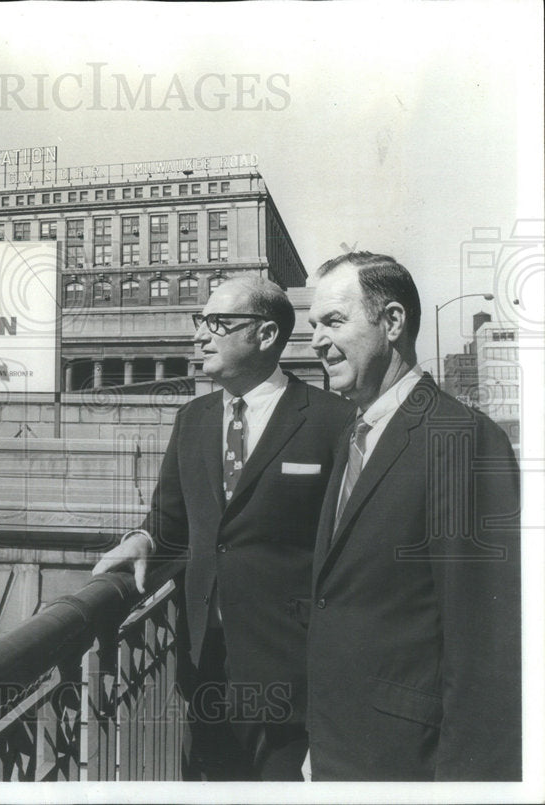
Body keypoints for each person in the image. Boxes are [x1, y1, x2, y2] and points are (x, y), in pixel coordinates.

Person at [93, 276, 354, 780]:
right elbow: (170, 525)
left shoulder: (332, 422)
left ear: (265, 335)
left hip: (292, 678)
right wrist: (141, 539)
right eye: (201, 322)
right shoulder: (193, 418)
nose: (200, 336)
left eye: (217, 324)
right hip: (201, 669)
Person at [304, 252, 521, 781]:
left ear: (393, 322)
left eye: (333, 321)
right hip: (336, 750)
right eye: (313, 326)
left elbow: (486, 653)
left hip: (408, 765)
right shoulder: (352, 434)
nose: (315, 341)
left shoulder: (462, 440)